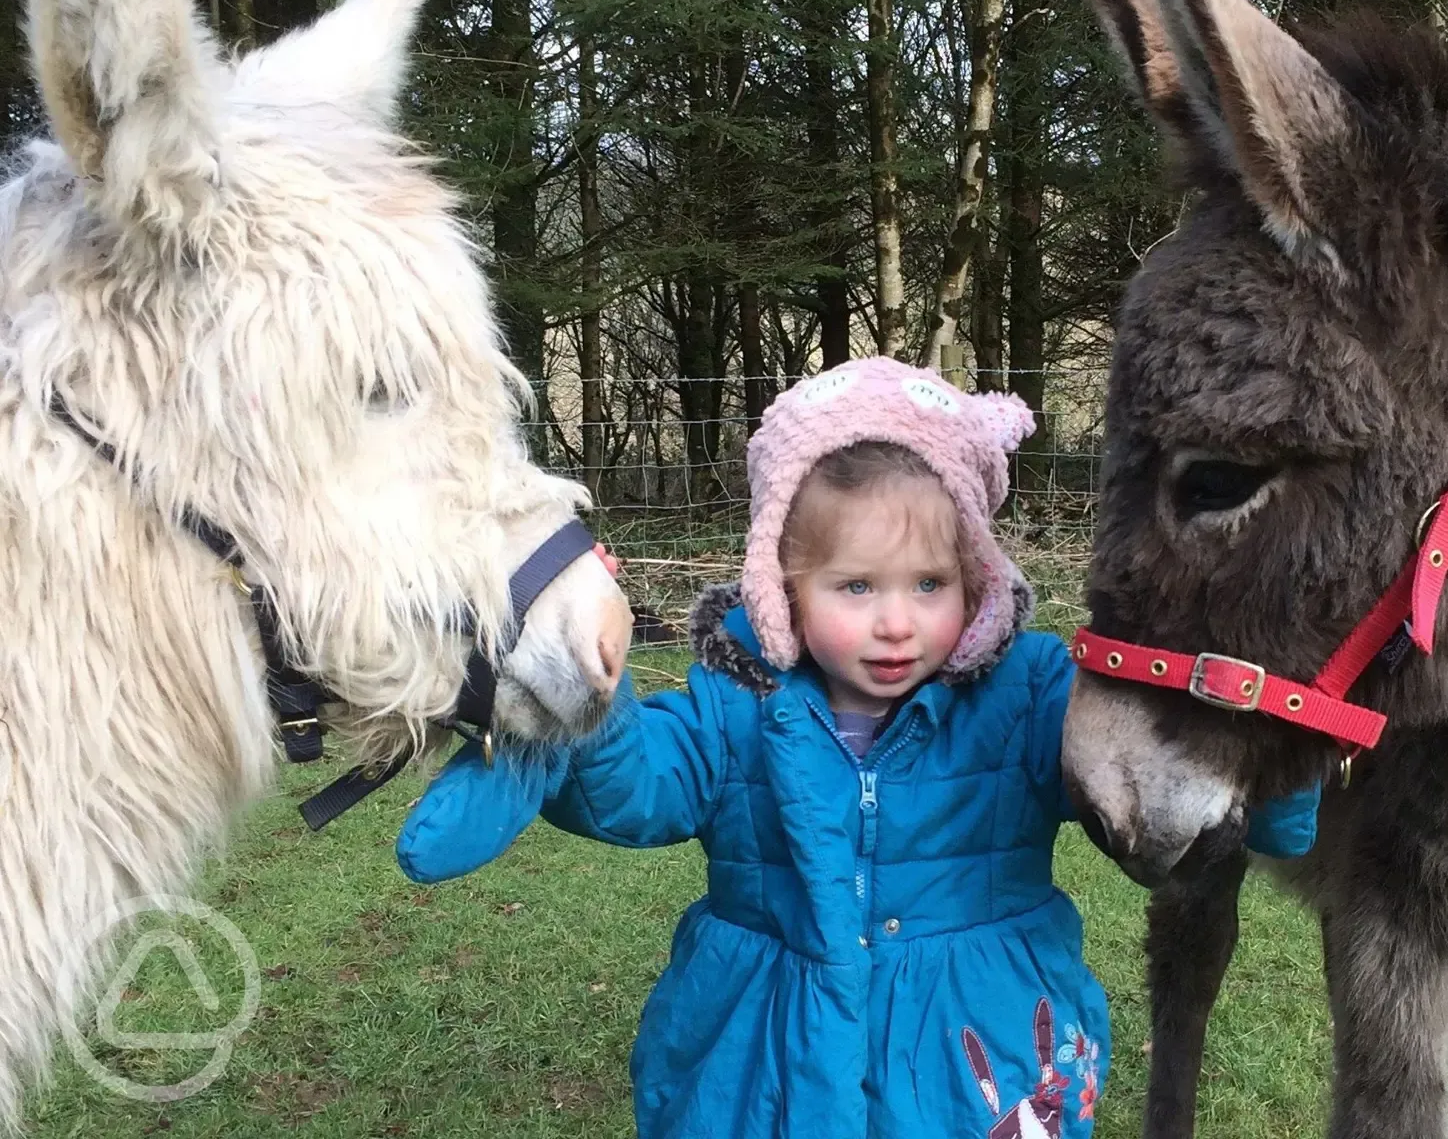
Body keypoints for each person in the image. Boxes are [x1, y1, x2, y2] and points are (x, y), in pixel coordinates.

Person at [395, 357, 1320, 1138]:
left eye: (929, 583)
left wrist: (1272, 752)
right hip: (762, 1050)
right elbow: (638, 791)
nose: (896, 624)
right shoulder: (737, 701)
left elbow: (1155, 780)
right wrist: (595, 704)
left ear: (978, 577)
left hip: (976, 1049)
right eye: (854, 587)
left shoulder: (1029, 695)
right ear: (782, 586)